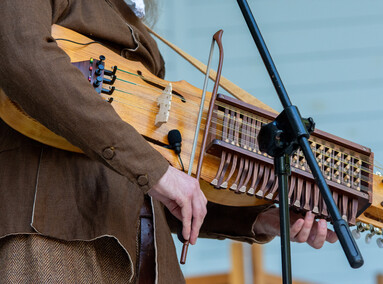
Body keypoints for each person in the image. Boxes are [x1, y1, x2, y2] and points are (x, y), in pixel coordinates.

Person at [0, 0, 337, 283]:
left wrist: (261, 219)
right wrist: (156, 171)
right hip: (51, 243)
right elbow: (20, 49)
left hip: (151, 261)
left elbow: (157, 186)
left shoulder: (134, 24)